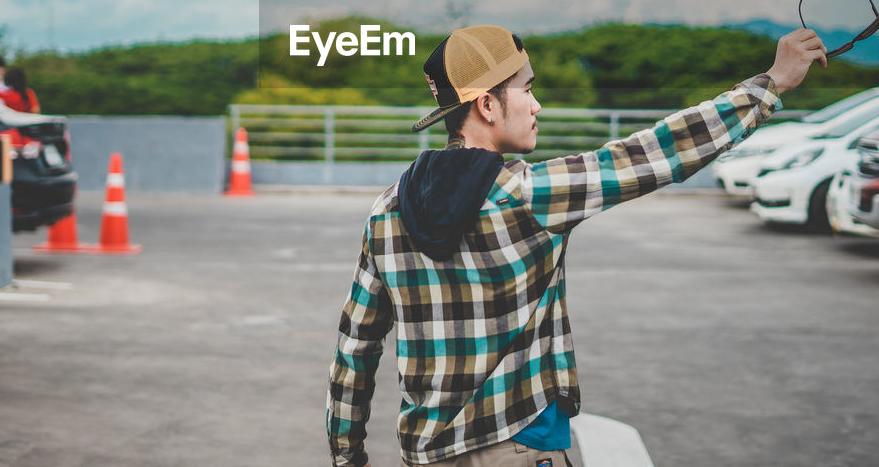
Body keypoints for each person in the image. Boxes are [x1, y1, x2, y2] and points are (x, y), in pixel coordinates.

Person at [326, 24, 826, 467]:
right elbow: (655, 153)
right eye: (526, 89)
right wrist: (771, 84)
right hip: (519, 443)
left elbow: (355, 347)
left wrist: (347, 455)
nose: (536, 104)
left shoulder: (386, 211)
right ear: (486, 105)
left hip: (426, 452)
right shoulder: (530, 195)